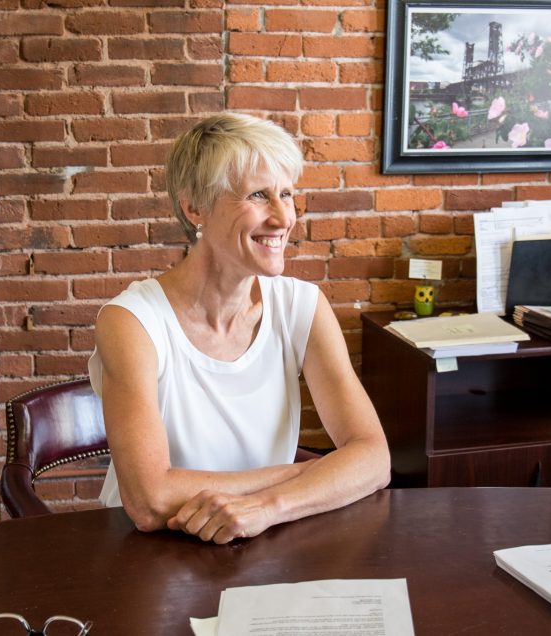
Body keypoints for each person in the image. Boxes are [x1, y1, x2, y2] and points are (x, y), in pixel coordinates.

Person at [89, 113, 390, 545]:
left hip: (261, 540)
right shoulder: (132, 321)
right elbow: (149, 500)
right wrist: (311, 473)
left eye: (286, 193)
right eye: (258, 195)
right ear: (195, 207)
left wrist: (269, 506)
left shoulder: (302, 306)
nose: (283, 217)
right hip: (146, 556)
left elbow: (374, 459)